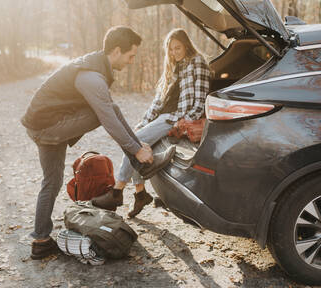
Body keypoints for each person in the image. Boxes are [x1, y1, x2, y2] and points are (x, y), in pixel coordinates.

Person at [21, 26, 175, 260]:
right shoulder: (91, 77)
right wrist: (136, 149)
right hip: (48, 126)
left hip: (44, 123)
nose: (132, 61)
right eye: (130, 55)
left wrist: (136, 145)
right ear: (116, 51)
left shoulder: (93, 66)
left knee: (51, 182)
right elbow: (109, 119)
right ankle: (141, 160)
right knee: (106, 111)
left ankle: (40, 242)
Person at [92, 28, 211, 218]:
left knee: (134, 143)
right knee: (136, 140)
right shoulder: (173, 68)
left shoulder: (198, 63)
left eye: (177, 48)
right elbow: (158, 102)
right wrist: (143, 122)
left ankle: (118, 191)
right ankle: (140, 193)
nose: (173, 53)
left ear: (186, 45)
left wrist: (183, 123)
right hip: (162, 117)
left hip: (174, 119)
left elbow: (200, 100)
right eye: (170, 49)